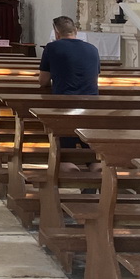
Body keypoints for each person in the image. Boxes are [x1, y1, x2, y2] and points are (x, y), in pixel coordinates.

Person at [39, 15, 101, 178]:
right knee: (89, 144)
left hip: (64, 105)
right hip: (91, 107)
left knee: (63, 145)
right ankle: (95, 168)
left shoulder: (52, 48)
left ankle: (69, 166)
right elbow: (94, 79)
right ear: (76, 31)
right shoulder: (92, 49)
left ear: (56, 33)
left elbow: (43, 81)